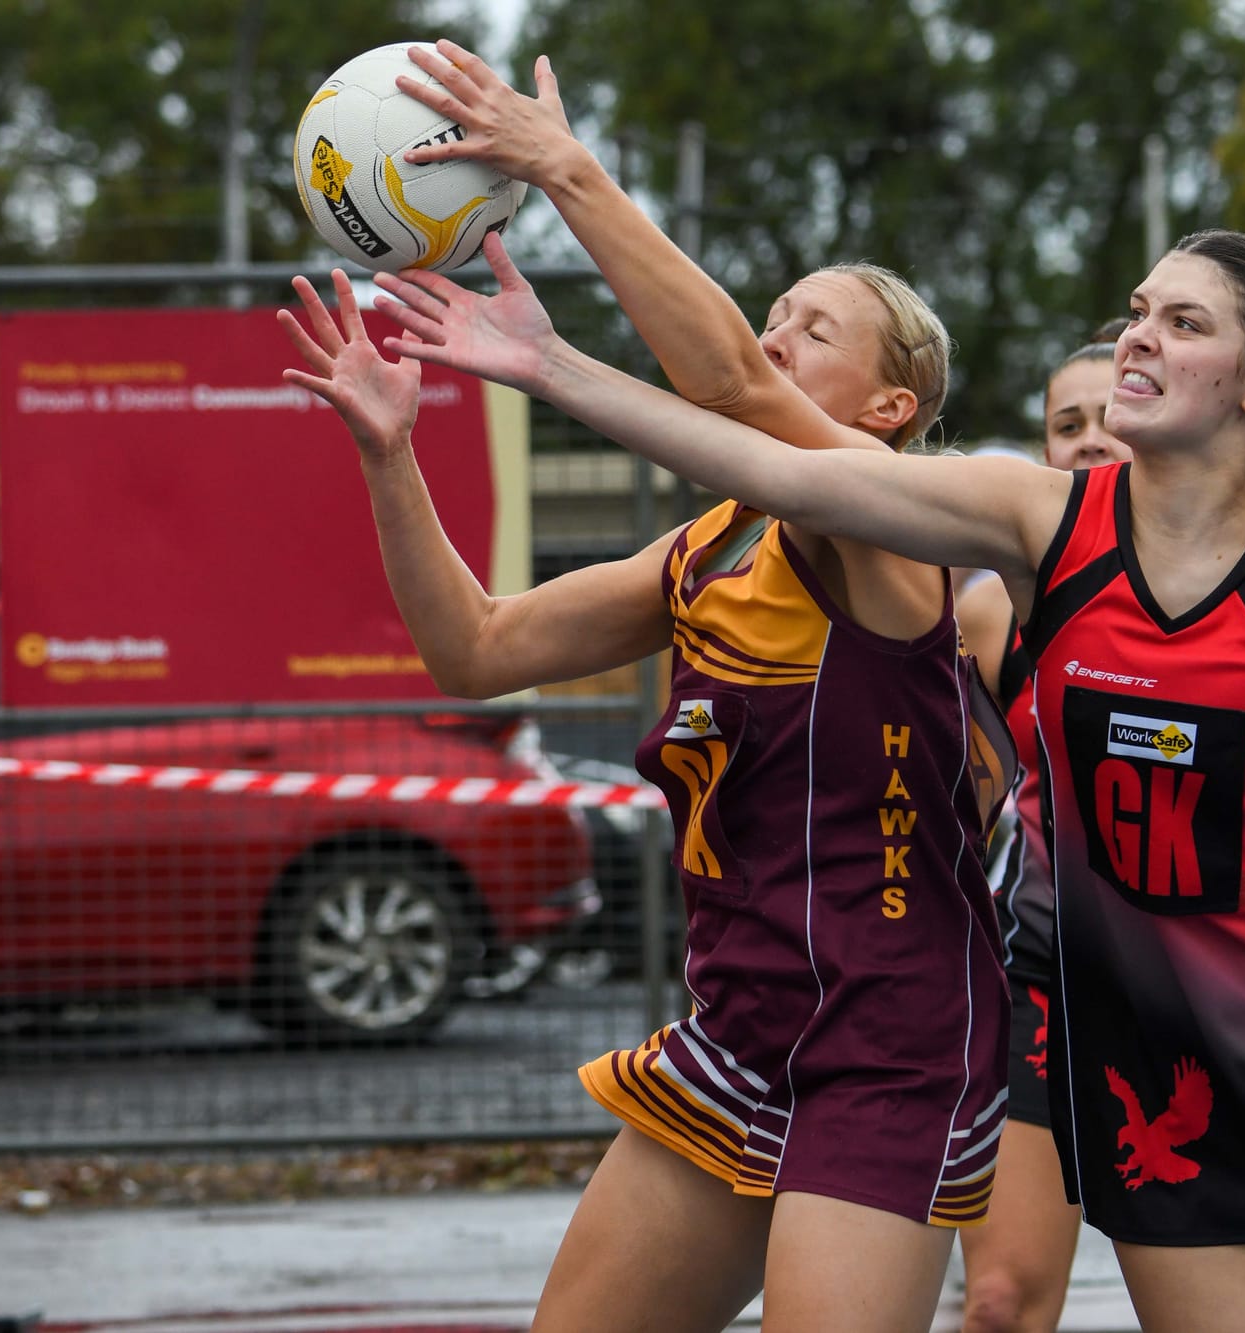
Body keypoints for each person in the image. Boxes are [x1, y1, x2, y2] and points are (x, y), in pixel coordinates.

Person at [366, 212, 1245, 1331]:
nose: (1141, 337)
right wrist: (553, 370)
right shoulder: (1037, 523)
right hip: (1149, 1071)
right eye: (1139, 313)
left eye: (1184, 321)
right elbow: (784, 465)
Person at [280, 56, 1020, 1331]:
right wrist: (390, 454)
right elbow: (477, 649)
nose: (772, 330)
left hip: (890, 1048)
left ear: (891, 408)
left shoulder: (909, 539)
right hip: (738, 1037)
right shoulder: (706, 550)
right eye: (772, 310)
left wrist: (562, 168)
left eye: (810, 327)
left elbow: (728, 378)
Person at [954, 323, 1128, 1333]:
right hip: (1040, 971)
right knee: (1001, 1301)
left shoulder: (1241, 587)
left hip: (1209, 984)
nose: (1093, 438)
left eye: (1111, 415)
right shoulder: (990, 613)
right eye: (1068, 424)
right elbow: (960, 805)